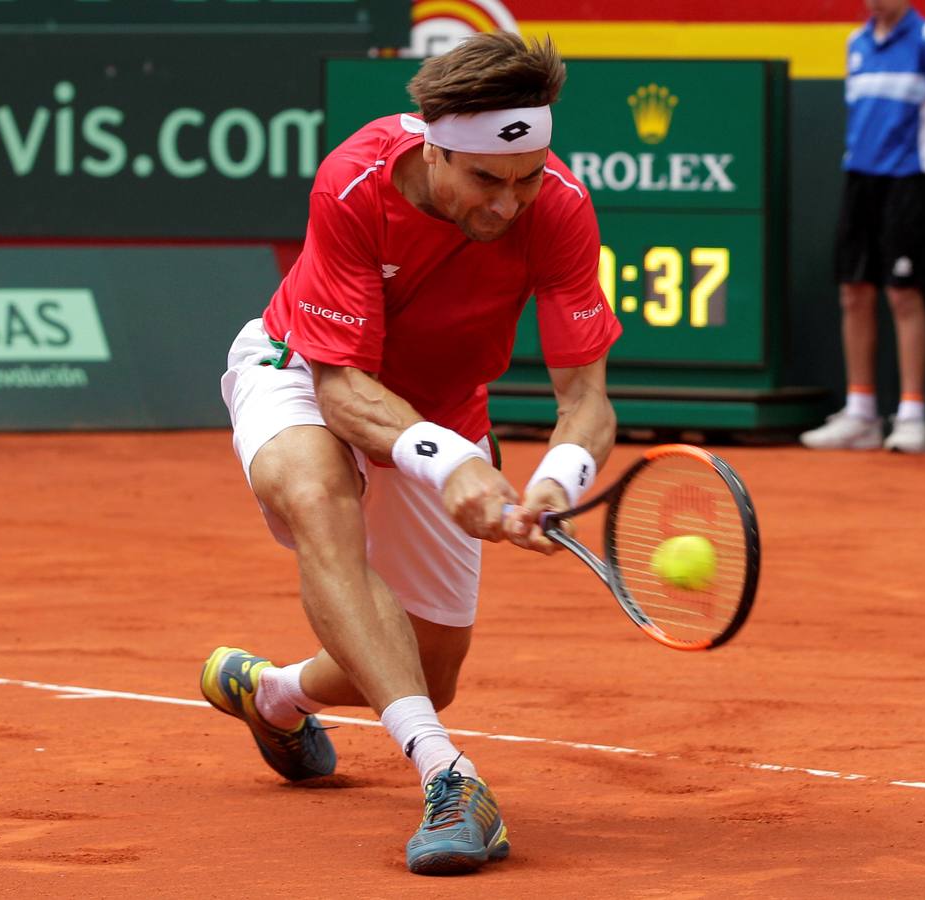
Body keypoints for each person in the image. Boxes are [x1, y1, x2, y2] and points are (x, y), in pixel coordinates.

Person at [202, 33, 620, 875]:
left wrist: (552, 481)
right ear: (434, 150)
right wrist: (451, 462)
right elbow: (343, 391)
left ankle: (271, 693)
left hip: (446, 408)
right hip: (303, 369)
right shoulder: (355, 182)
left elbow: (585, 402)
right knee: (320, 497)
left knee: (427, 669)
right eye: (486, 181)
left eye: (528, 178)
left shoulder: (562, 209)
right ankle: (447, 775)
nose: (510, 204)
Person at [801, 0, 925, 453]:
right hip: (860, 179)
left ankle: (912, 416)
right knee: (853, 292)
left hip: (910, 182)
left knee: (903, 293)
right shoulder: (855, 43)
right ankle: (861, 414)